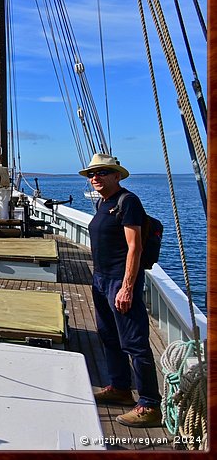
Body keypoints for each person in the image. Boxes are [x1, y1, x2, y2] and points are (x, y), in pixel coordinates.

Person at [80, 153, 162, 428]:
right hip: (101, 279)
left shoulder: (129, 202)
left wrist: (127, 288)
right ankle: (120, 388)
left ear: (117, 175)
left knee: (134, 342)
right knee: (108, 336)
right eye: (92, 174)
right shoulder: (105, 203)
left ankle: (149, 404)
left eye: (102, 172)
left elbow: (135, 247)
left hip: (119, 280)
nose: (96, 177)